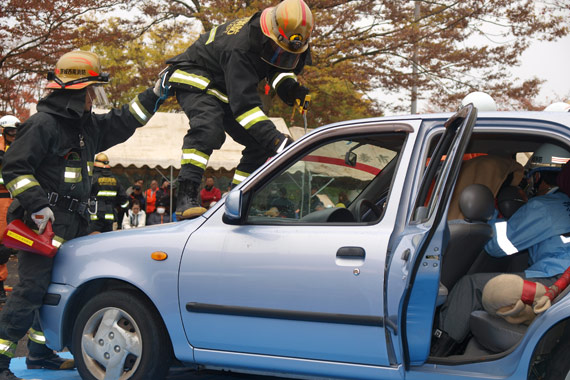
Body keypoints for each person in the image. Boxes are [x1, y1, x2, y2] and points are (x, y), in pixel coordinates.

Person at [0, 50, 166, 380]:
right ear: (75, 92)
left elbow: (123, 120)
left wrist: (155, 94)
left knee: (55, 289)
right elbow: (15, 167)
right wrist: (36, 204)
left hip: (72, 222)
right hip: (42, 224)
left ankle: (39, 353)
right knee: (31, 289)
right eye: (90, 90)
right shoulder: (42, 125)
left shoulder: (85, 127)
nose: (93, 97)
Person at [164, 0, 314, 219]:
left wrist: (291, 90)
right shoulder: (241, 47)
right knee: (208, 129)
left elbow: (275, 67)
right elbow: (245, 107)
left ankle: (238, 198)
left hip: (227, 86)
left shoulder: (275, 38)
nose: (282, 55)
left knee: (258, 144)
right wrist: (276, 140)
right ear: (272, 34)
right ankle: (186, 196)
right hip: (196, 76)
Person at [431, 153, 570, 357]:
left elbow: (497, 246)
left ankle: (437, 353)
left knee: (469, 286)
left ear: (538, 178)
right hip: (561, 279)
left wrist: (493, 214)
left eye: (529, 178)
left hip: (556, 279)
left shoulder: (545, 206)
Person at [0, 115, 20, 304]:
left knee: (6, 246)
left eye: (16, 131)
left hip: (12, 200)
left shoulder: (17, 148)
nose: (14, 135)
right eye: (10, 132)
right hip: (2, 200)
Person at [87, 153, 129, 233]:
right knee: (106, 239)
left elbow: (85, 194)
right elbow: (123, 198)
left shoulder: (93, 178)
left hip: (95, 215)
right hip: (110, 215)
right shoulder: (115, 180)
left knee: (92, 240)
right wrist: (125, 209)